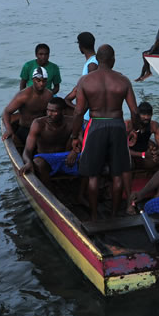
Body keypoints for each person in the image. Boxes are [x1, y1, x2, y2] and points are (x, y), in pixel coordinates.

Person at [68, 45, 138, 220]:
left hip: (96, 125)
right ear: (113, 59)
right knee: (117, 174)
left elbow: (78, 112)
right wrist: (135, 130)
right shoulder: (123, 80)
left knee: (93, 175)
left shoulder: (85, 81)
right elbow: (135, 112)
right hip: (117, 125)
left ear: (97, 60)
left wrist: (75, 136)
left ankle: (93, 215)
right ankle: (114, 215)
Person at [19, 97, 76, 185]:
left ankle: (81, 193)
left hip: (66, 158)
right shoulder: (38, 124)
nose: (49, 114)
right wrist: (28, 162)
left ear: (63, 111)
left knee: (87, 159)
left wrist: (74, 151)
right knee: (38, 162)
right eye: (48, 110)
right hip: (45, 160)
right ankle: (49, 190)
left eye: (54, 111)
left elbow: (82, 140)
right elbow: (27, 150)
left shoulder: (71, 122)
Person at [2, 66, 54, 144]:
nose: (41, 84)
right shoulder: (23, 96)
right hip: (25, 129)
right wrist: (9, 130)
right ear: (33, 80)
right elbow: (6, 112)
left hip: (42, 129)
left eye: (44, 81)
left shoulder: (49, 95)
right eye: (38, 80)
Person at [125, 101, 159, 170]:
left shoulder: (154, 126)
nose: (146, 117)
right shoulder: (128, 125)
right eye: (143, 114)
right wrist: (143, 154)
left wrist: (155, 153)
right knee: (128, 162)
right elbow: (121, 150)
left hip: (144, 158)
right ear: (138, 115)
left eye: (149, 114)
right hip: (130, 157)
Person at [64, 32, 99, 120]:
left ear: (80, 46)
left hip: (89, 116)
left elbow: (92, 90)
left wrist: (80, 110)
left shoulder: (92, 64)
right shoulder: (94, 61)